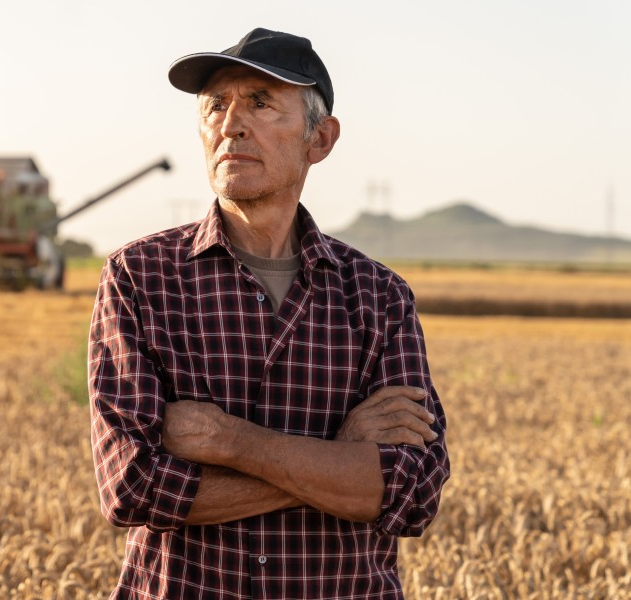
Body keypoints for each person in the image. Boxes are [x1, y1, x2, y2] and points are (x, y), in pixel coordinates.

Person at [88, 28, 450, 598]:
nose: (230, 123)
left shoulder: (379, 297)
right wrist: (343, 455)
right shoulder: (142, 278)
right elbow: (134, 487)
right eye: (215, 106)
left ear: (320, 139)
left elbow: (410, 493)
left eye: (260, 102)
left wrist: (230, 441)